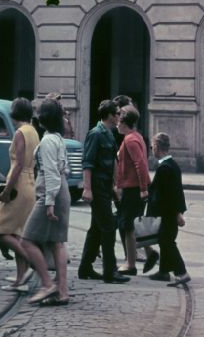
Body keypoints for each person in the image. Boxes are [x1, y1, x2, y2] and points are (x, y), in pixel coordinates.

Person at [19, 98, 71, 306]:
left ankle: (48, 284)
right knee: (56, 242)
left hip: (52, 193)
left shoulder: (48, 141)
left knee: (27, 240)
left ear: (42, 118)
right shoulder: (57, 137)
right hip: (62, 190)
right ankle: (62, 291)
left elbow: (50, 173)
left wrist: (49, 203)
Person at [77, 100, 129, 284]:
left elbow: (113, 161)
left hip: (105, 187)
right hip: (97, 188)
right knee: (108, 227)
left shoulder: (109, 134)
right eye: (116, 114)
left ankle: (85, 267)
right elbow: (87, 163)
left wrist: (116, 185)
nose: (119, 117)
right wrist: (87, 188)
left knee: (97, 228)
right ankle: (110, 271)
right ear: (108, 115)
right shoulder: (96, 134)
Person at [0, 98, 40, 290]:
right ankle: (21, 278)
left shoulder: (20, 132)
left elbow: (18, 164)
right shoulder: (34, 131)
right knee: (18, 232)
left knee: (0, 230)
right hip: (30, 183)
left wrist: (7, 190)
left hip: (19, 183)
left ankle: (31, 262)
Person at [146, 132, 190, 286]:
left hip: (167, 213)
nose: (151, 150)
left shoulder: (164, 168)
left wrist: (176, 214)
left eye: (152, 147)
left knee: (167, 241)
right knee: (165, 240)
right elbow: (178, 192)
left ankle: (181, 272)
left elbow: (165, 195)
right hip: (172, 211)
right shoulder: (173, 164)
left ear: (157, 147)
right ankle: (164, 271)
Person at [115, 105, 151, 275]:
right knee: (131, 225)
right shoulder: (136, 136)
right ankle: (150, 253)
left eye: (119, 121)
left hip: (133, 188)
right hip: (133, 187)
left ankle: (130, 264)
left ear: (125, 123)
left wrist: (143, 189)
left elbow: (141, 164)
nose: (116, 124)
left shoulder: (130, 140)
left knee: (127, 225)